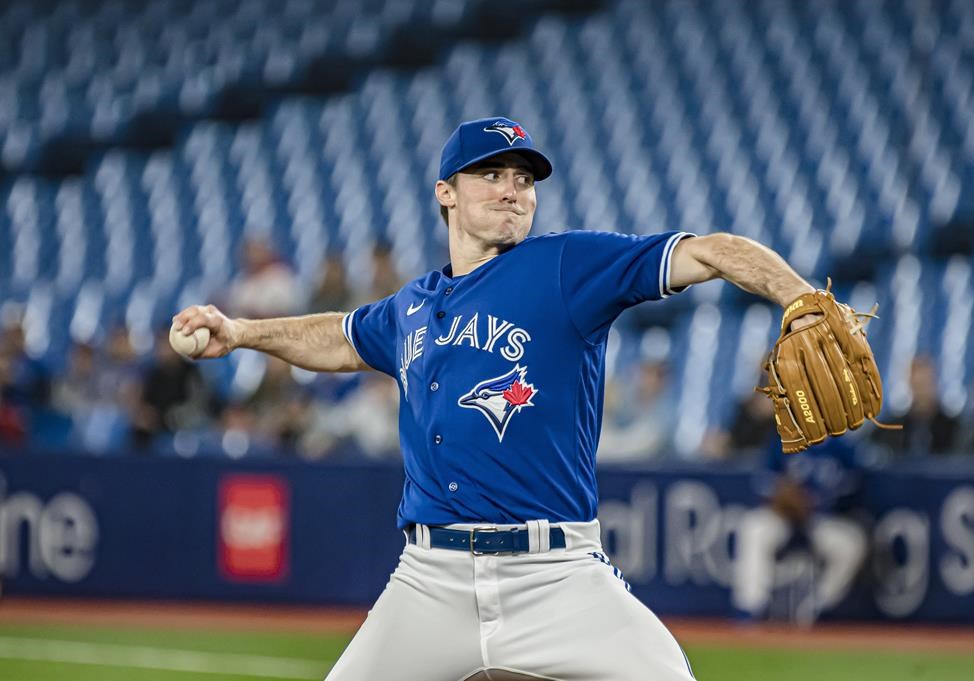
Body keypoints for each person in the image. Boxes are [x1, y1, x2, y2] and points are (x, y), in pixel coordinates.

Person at [172, 116, 824, 681]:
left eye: (525, 178)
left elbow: (708, 252)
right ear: (446, 193)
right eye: (492, 174)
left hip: (558, 576)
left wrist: (797, 296)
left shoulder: (566, 268)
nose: (513, 188)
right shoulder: (412, 306)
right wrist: (240, 332)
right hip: (431, 577)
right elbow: (340, 337)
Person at [731, 438, 868, 624]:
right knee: (754, 527)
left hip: (821, 519)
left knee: (851, 543)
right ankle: (751, 607)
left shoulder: (842, 447)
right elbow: (763, 481)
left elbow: (854, 487)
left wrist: (817, 500)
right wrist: (783, 494)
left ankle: (819, 607)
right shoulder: (784, 437)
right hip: (783, 517)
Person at [871, 355, 959, 459]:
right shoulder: (892, 428)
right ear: (910, 384)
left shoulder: (954, 428)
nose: (922, 390)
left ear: (935, 383)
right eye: (918, 384)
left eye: (926, 383)